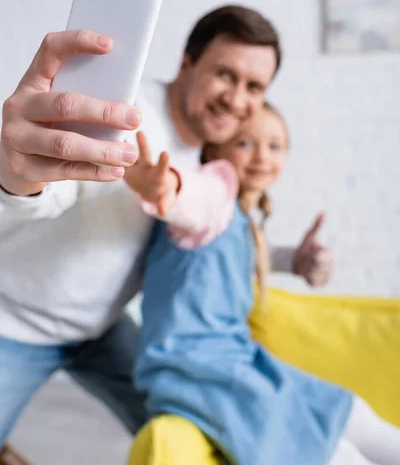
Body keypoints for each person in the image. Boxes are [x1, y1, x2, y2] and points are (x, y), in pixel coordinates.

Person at [0, 6, 331, 449]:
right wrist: (18, 177)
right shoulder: (128, 114)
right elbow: (50, 190)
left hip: (104, 330)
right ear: (186, 65)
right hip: (15, 322)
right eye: (225, 75)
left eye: (254, 87)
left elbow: (214, 243)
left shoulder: (217, 159)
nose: (236, 99)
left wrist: (291, 259)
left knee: (199, 433)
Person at [129, 106, 400, 465]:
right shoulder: (212, 194)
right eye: (245, 143)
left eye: (275, 146)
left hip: (241, 361)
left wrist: (294, 260)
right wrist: (170, 188)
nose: (261, 157)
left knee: (348, 410)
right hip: (199, 372)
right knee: (329, 449)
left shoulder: (241, 222)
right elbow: (194, 201)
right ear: (216, 151)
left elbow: (242, 254)